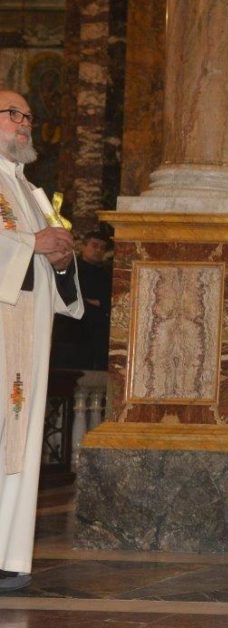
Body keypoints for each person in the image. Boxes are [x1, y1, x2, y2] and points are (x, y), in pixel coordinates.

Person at [0, 89, 82, 592]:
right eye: (14, 114)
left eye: (29, 116)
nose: (25, 123)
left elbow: (51, 265)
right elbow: (23, 249)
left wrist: (62, 261)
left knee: (22, 441)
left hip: (29, 332)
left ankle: (8, 554)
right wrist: (32, 243)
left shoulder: (32, 193)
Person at [51, 230, 111, 370]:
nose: (98, 250)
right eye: (94, 245)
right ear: (83, 246)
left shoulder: (107, 274)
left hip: (96, 333)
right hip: (70, 330)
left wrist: (98, 303)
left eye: (102, 248)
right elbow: (66, 296)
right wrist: (93, 303)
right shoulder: (70, 268)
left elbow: (109, 301)